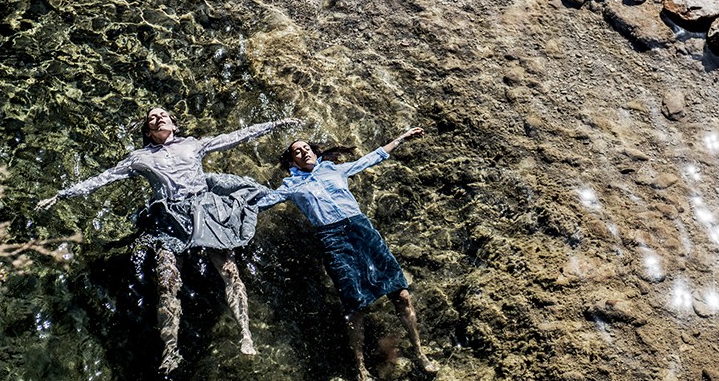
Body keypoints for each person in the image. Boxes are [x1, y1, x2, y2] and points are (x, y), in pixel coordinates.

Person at [37, 107, 300, 373]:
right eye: (152, 118)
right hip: (169, 217)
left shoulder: (193, 144)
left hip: (205, 208)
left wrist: (275, 123)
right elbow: (104, 178)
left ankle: (245, 333)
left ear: (174, 124)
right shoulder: (138, 157)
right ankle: (170, 349)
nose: (158, 117)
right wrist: (61, 195)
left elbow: (234, 136)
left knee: (230, 271)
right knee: (167, 281)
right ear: (148, 131)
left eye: (163, 115)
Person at [256, 126, 438, 381]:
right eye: (297, 151)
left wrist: (401, 138)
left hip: (362, 229)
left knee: (401, 293)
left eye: (306, 148)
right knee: (355, 307)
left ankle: (420, 352)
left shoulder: (334, 169)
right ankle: (361, 368)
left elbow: (371, 158)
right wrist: (229, 206)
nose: (303, 152)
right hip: (332, 239)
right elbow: (262, 202)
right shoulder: (290, 186)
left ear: (314, 153)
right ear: (291, 161)